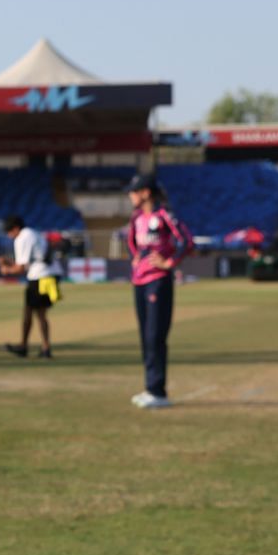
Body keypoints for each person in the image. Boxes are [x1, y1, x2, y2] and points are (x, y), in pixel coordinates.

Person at [125, 171, 194, 409]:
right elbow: (131, 242)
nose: (131, 196)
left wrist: (169, 264)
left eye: (134, 191)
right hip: (139, 282)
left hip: (158, 281)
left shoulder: (165, 215)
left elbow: (186, 241)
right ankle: (150, 388)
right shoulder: (136, 218)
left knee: (156, 335)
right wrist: (135, 257)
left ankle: (158, 390)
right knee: (145, 336)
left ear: (146, 193)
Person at [0, 214, 55, 357]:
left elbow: (21, 268)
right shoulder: (32, 233)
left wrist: (6, 269)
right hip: (44, 275)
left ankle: (43, 348)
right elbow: (28, 262)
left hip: (39, 276)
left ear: (16, 229)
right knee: (30, 312)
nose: (10, 236)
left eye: (10, 233)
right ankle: (26, 346)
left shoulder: (23, 237)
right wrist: (8, 262)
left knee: (39, 313)